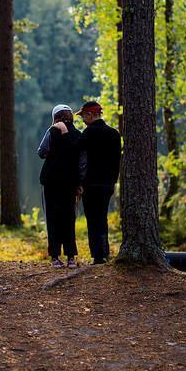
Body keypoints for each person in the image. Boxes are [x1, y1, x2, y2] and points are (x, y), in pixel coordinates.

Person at [74, 101, 121, 264]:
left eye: (83, 116)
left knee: (92, 219)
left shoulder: (87, 134)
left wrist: (78, 183)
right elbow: (117, 162)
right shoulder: (114, 134)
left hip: (90, 184)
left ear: (90, 115)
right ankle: (104, 251)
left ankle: (97, 255)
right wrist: (113, 182)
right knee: (102, 217)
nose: (82, 120)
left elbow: (77, 158)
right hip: (107, 184)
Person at [38, 104, 81, 269]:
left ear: (55, 117)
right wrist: (79, 183)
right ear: (71, 116)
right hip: (70, 182)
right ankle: (71, 257)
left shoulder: (52, 131)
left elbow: (41, 152)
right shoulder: (79, 134)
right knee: (69, 218)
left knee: (52, 217)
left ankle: (55, 257)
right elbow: (82, 161)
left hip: (51, 180)